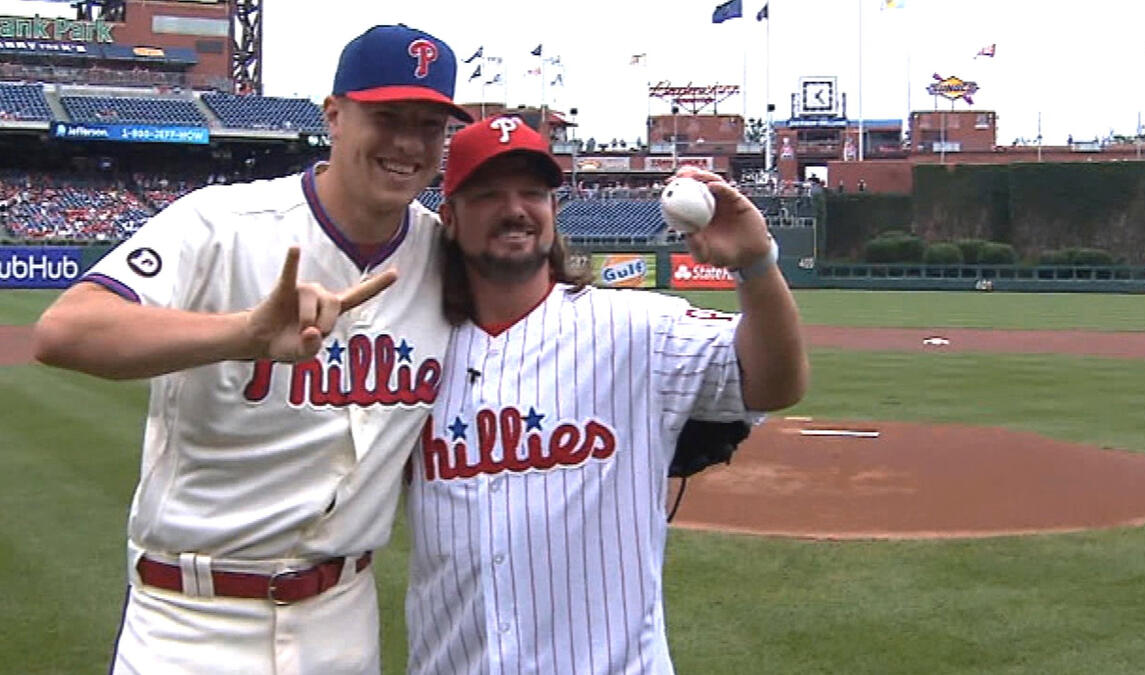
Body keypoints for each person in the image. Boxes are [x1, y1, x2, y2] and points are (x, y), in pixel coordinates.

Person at [32, 24, 472, 675]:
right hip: (190, 618)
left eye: (430, 124)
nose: (409, 143)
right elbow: (65, 330)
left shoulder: (446, 257)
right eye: (387, 116)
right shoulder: (221, 223)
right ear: (334, 116)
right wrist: (244, 334)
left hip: (342, 619)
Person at [403, 115, 809, 673]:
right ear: (448, 217)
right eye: (489, 193)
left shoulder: (635, 327)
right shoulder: (413, 350)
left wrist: (756, 265)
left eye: (533, 192)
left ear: (553, 209)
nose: (516, 208)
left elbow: (774, 383)